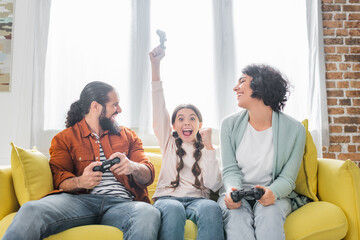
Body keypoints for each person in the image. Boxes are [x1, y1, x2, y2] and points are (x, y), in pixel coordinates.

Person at [3, 81, 161, 240]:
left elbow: (148, 175)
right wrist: (80, 181)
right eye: (115, 105)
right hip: (80, 202)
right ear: (96, 106)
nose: (119, 110)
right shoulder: (64, 138)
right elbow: (59, 177)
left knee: (148, 213)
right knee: (31, 209)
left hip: (123, 204)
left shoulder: (127, 135)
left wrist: (132, 167)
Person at [217, 64, 306, 240]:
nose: (235, 87)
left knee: (269, 213)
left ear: (260, 86)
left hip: (274, 195)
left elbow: (287, 178)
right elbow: (230, 170)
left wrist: (272, 193)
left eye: (242, 81)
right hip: (237, 195)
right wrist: (232, 190)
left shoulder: (295, 129)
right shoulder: (228, 125)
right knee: (236, 217)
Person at [149, 46, 224, 240]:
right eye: (180, 119)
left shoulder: (208, 149)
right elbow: (159, 105)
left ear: (200, 124)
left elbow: (214, 185)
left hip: (198, 200)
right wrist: (155, 65)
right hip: (168, 199)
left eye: (192, 118)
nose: (186, 122)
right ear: (173, 125)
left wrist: (209, 148)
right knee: (173, 210)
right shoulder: (169, 142)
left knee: (211, 207)